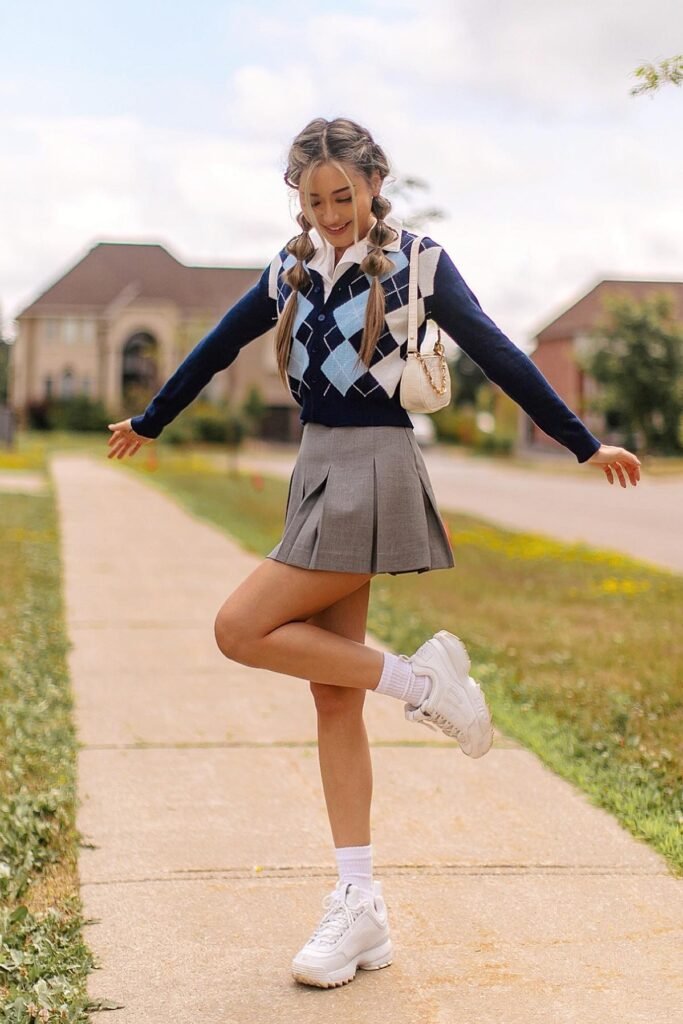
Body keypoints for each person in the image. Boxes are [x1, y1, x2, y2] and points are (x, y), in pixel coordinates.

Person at [106, 116, 641, 990]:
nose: (329, 214)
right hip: (315, 463)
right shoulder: (289, 268)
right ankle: (360, 907)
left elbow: (498, 351)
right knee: (330, 693)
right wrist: (154, 418)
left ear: (372, 184)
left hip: (376, 466)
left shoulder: (421, 261)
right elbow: (217, 347)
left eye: (342, 197)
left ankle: (426, 687)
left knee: (238, 628)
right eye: (314, 201)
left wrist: (581, 443)